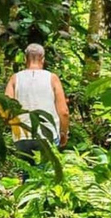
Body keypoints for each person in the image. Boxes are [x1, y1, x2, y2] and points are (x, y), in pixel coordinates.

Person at [4, 44, 69, 175]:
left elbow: (6, 108)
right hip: (47, 134)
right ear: (43, 59)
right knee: (46, 177)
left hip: (21, 134)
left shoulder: (15, 78)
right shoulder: (52, 78)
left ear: (24, 59)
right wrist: (63, 132)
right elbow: (64, 111)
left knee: (28, 174)